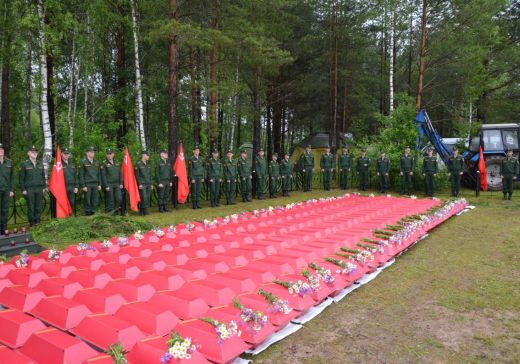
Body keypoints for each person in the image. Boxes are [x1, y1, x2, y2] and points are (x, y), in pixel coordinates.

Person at [19, 145, 46, 226]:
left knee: (38, 205)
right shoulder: (24, 164)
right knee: (31, 206)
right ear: (28, 153)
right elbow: (21, 178)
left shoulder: (40, 163)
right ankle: (32, 222)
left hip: (39, 188)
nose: (35, 153)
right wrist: (23, 189)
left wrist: (44, 187)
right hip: (29, 189)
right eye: (32, 152)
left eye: (36, 152)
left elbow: (43, 176)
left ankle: (37, 220)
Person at [79, 146, 102, 216]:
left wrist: (99, 184)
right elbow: (81, 175)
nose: (93, 153)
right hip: (87, 184)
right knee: (87, 199)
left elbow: (99, 174)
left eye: (93, 152)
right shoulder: (83, 162)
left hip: (95, 184)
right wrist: (83, 185)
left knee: (95, 199)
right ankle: (88, 212)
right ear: (87, 153)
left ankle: (93, 211)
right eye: (91, 152)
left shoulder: (97, 162)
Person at [101, 148, 122, 215]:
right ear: (106, 155)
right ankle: (109, 213)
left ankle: (116, 212)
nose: (109, 155)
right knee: (110, 200)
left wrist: (121, 183)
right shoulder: (104, 163)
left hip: (117, 184)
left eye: (110, 154)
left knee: (118, 198)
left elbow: (120, 174)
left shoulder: (117, 162)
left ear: (113, 154)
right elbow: (103, 176)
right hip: (109, 184)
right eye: (108, 154)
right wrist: (106, 185)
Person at [0, 143, 14, 233]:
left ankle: (4, 226)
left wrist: (11, 190)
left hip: (6, 190)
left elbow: (12, 177)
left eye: (2, 149)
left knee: (5, 209)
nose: (1, 151)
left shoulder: (9, 162)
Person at [61, 148, 78, 212]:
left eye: (67, 154)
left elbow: (75, 176)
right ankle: (64, 215)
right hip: (63, 186)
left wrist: (76, 186)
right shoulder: (59, 164)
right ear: (62, 154)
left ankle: (71, 215)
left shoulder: (72, 164)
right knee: (63, 201)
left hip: (72, 186)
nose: (66, 155)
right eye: (65, 154)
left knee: (72, 201)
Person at [135, 150, 152, 215]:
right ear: (143, 155)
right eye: (147, 155)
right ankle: (141, 210)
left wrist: (151, 183)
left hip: (148, 183)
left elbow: (149, 175)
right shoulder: (138, 164)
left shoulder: (148, 164)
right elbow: (137, 175)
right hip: (142, 184)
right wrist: (139, 183)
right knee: (143, 197)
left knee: (147, 197)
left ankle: (145, 210)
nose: (148, 156)